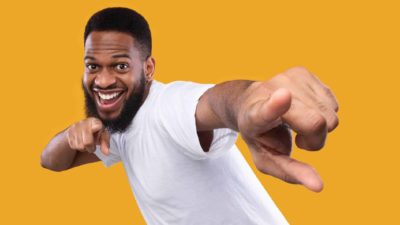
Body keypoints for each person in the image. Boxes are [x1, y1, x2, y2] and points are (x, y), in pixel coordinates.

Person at [40, 7, 339, 225]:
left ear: (148, 69)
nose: (103, 81)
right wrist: (72, 135)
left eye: (119, 66)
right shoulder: (119, 126)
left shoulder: (167, 107)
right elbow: (51, 161)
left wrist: (249, 100)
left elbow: (214, 103)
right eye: (93, 66)